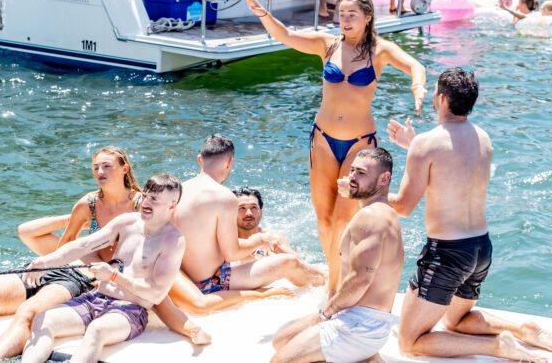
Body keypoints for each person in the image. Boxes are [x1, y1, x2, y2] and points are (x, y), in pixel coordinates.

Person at [242, 0, 425, 294]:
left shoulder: (380, 50)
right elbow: (286, 35)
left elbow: (415, 65)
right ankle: (335, 278)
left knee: (342, 221)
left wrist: (417, 85)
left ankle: (336, 289)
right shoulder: (327, 45)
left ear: (367, 17)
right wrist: (261, 12)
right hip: (323, 139)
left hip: (360, 144)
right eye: (341, 14)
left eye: (352, 14)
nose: (345, 20)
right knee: (325, 219)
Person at [387, 68, 552, 362]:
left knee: (409, 341)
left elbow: (404, 207)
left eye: (435, 92)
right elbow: (452, 166)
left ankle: (496, 346)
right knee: (455, 321)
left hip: (447, 254)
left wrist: (365, 193)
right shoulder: (483, 138)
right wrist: (414, 147)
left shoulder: (427, 144)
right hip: (480, 249)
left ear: (442, 99)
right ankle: (523, 328)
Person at [0, 148, 180, 360]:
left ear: (124, 169)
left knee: (29, 312)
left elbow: (157, 277)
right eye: (96, 167)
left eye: (107, 166)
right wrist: (45, 261)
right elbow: (72, 244)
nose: (100, 172)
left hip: (87, 280)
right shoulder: (90, 204)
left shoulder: (143, 210)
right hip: (65, 269)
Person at [20, 174, 186, 363]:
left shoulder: (174, 241)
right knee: (44, 319)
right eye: (146, 196)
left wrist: (114, 276)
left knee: (97, 330)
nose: (146, 202)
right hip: (95, 298)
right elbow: (83, 245)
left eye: (154, 199)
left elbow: (155, 294)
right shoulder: (127, 222)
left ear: (172, 205)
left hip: (130, 311)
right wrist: (45, 262)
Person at [271, 148, 403, 363]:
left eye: (360, 173)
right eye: (351, 171)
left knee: (280, 361)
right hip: (366, 321)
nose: (351, 177)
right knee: (282, 341)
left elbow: (360, 280)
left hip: (359, 325)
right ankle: (365, 358)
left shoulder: (370, 217)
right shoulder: (382, 211)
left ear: (384, 179)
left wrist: (325, 313)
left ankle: (362, 354)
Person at [171, 135, 325, 300]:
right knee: (289, 263)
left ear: (200, 160)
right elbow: (232, 253)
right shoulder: (223, 196)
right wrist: (258, 240)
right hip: (210, 283)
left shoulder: (178, 190)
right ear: (229, 162)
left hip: (182, 280)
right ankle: (327, 282)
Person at [234, 187, 294, 257]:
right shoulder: (225, 240)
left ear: (261, 212)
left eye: (253, 207)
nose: (249, 213)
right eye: (242, 208)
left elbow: (297, 261)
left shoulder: (274, 238)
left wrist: (274, 246)